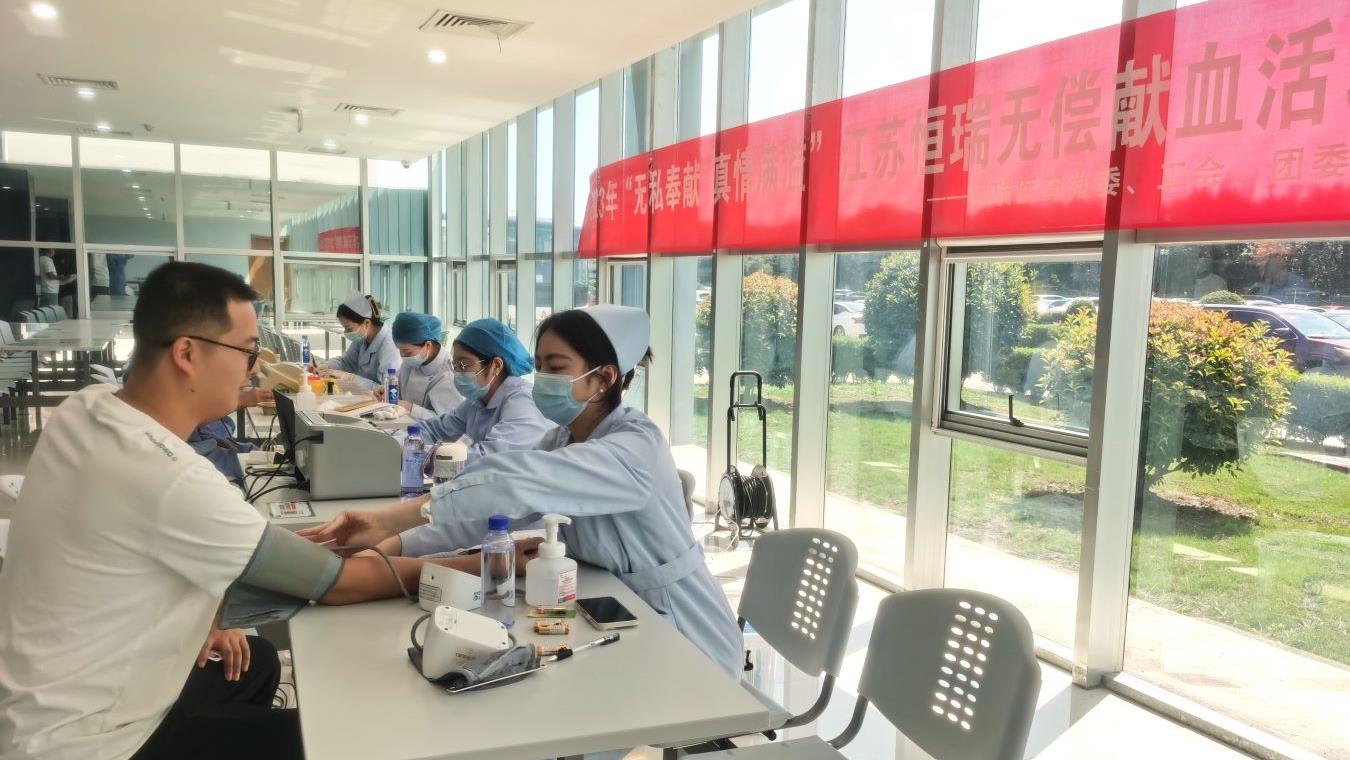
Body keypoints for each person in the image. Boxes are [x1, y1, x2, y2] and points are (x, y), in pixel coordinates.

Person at [0, 262, 536, 760]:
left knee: (254, 664)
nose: (255, 368)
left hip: (41, 702)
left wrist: (238, 591)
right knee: (342, 742)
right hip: (91, 742)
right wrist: (487, 564)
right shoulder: (169, 477)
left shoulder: (86, 408)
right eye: (248, 350)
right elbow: (339, 584)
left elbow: (170, 542)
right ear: (187, 353)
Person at [300, 306, 743, 683]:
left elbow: (512, 481)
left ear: (604, 378)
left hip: (681, 630)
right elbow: (489, 513)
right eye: (540, 365)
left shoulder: (635, 446)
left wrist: (391, 520)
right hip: (606, 608)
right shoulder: (562, 438)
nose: (541, 378)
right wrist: (393, 541)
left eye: (556, 367)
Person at [378, 317, 553, 558]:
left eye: (464, 365)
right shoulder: (478, 400)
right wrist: (392, 445)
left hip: (520, 528)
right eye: (456, 365)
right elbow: (434, 429)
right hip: (483, 507)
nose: (458, 373)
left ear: (496, 365)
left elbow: (487, 460)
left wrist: (418, 455)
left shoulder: (522, 402)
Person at [383, 311, 462, 419]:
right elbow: (399, 384)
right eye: (399, 350)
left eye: (406, 351)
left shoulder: (447, 376)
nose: (402, 356)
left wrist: (411, 408)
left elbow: (447, 422)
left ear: (428, 345)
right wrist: (387, 390)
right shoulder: (414, 359)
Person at [319, 292, 401, 384]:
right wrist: (326, 365)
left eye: (349, 328)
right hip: (363, 391)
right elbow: (346, 362)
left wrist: (349, 377)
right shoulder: (362, 339)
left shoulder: (390, 345)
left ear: (366, 323)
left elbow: (387, 387)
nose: (346, 332)